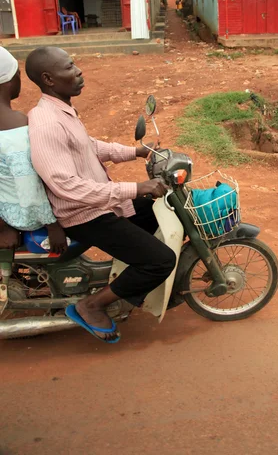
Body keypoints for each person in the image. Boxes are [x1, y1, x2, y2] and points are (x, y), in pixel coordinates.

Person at [25, 47, 176, 343]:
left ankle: (129, 281)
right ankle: (91, 305)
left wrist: (135, 152)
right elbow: (65, 185)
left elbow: (88, 147)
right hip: (83, 214)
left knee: (154, 210)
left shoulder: (62, 111)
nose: (79, 71)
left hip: (97, 203)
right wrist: (134, 187)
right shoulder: (46, 123)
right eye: (69, 67)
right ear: (49, 79)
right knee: (160, 261)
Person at [0, 47, 66, 253]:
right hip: (24, 215)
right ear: (9, 81)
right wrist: (52, 225)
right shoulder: (16, 124)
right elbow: (28, 185)